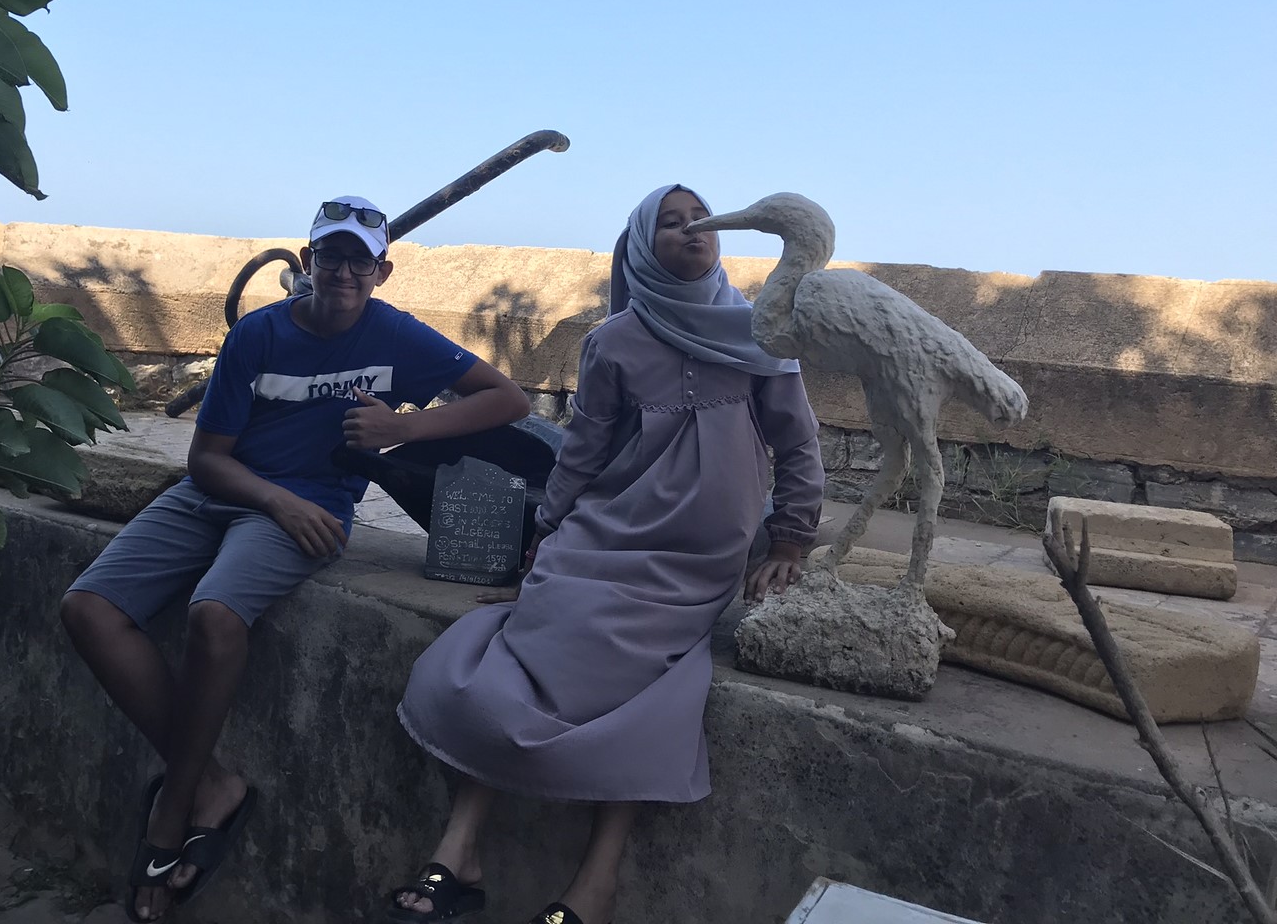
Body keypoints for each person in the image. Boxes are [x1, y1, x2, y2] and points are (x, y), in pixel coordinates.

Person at [61, 195, 530, 923]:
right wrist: (274, 500)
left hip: (315, 505)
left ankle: (170, 812)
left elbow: (508, 399)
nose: (344, 273)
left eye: (360, 262)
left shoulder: (394, 334)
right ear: (308, 262)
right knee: (87, 608)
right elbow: (206, 460)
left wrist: (406, 426)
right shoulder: (260, 334)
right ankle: (207, 785)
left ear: (382, 271)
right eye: (331, 256)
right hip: (227, 494)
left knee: (215, 615)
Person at [386, 184, 825, 924]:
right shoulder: (615, 342)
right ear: (643, 248)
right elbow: (583, 454)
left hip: (695, 557)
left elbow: (798, 443)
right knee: (541, 625)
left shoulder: (761, 332)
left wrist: (790, 540)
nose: (693, 231)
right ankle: (460, 848)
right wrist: (547, 535)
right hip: (606, 532)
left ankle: (597, 878)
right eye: (671, 223)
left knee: (632, 669)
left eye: (702, 220)